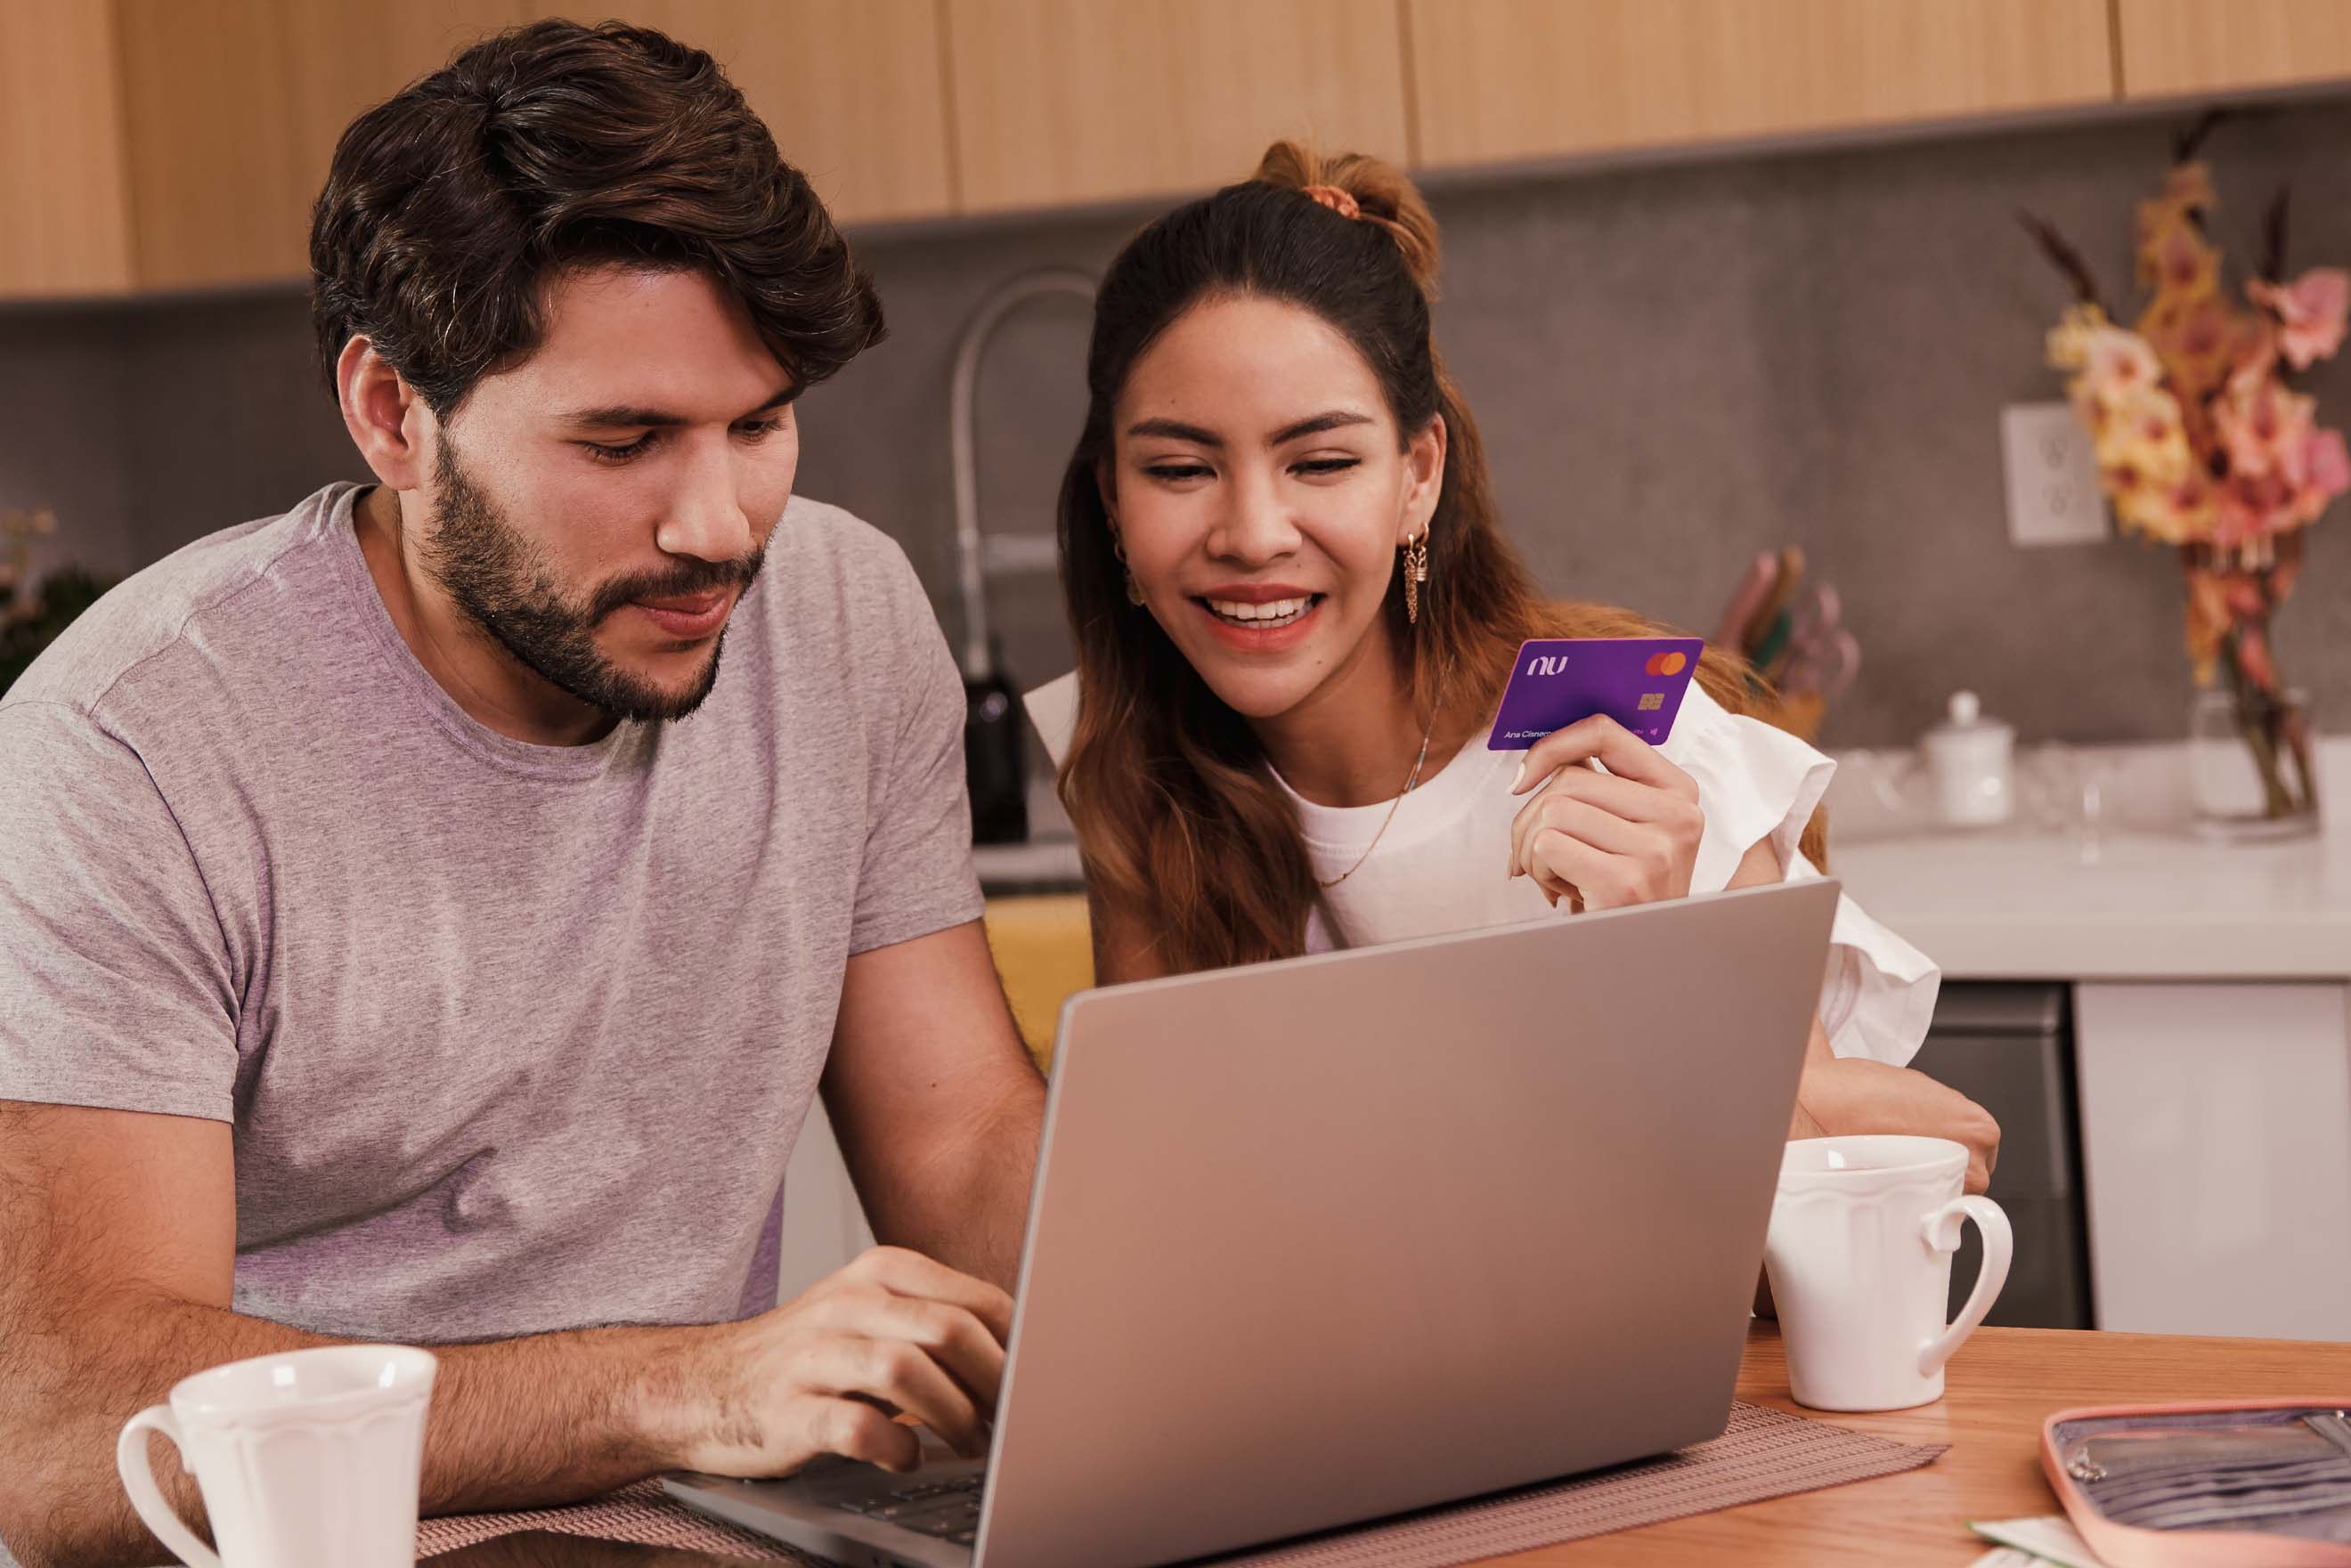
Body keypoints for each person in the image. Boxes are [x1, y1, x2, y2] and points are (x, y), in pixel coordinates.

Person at [0, 22, 1041, 1568]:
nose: (720, 524)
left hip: (692, 1535)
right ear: (391, 414)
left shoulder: (839, 613)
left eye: (759, 424)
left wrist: (1267, 1316)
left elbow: (956, 1146)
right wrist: (681, 1389)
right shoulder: (130, 742)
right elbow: (71, 1435)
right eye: (623, 440)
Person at [1039, 143, 1997, 1180]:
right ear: (1110, 500)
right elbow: (1183, 1207)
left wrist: (1662, 974)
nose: (1253, 533)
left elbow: (1809, 1253)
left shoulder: (1623, 733)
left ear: (1418, 477)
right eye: (1180, 469)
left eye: (1321, 462)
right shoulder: (1136, 774)